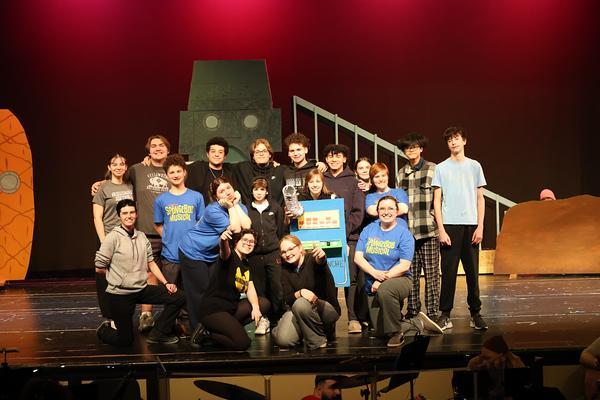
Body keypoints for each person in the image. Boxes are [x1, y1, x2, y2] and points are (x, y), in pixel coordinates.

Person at [92, 135, 172, 332]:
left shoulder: (173, 168)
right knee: (132, 275)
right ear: (148, 151)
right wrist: (100, 183)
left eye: (161, 145)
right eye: (153, 146)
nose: (157, 148)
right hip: (137, 233)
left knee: (172, 274)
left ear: (168, 150)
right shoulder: (138, 169)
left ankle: (172, 318)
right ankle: (131, 316)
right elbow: (114, 182)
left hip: (170, 232)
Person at [95, 199, 185, 346]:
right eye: (125, 213)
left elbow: (151, 263)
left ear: (136, 214)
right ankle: (103, 330)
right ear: (119, 216)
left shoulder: (142, 237)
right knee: (125, 341)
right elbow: (99, 267)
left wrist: (166, 283)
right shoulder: (112, 238)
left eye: (132, 212)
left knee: (179, 296)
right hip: (120, 294)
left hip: (141, 289)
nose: (129, 216)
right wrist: (118, 280)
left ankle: (159, 333)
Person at [178, 177, 251, 335]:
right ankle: (197, 331)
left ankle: (213, 327)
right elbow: (236, 229)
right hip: (193, 250)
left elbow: (246, 226)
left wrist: (235, 205)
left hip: (213, 253)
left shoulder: (239, 206)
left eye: (228, 188)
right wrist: (231, 206)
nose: (227, 192)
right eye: (221, 191)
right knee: (199, 292)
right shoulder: (212, 210)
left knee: (214, 292)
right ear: (216, 197)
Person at [432, 126, 488, 331]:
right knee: (448, 273)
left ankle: (475, 313)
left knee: (473, 273)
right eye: (449, 140)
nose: (453, 142)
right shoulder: (441, 168)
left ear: (464, 141)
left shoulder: (474, 166)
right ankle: (445, 314)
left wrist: (480, 226)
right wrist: (441, 229)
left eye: (456, 138)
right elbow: (437, 201)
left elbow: (480, 198)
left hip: (471, 225)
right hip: (449, 225)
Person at [193, 229, 271, 350]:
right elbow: (224, 251)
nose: (248, 243)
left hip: (231, 308)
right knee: (243, 343)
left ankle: (230, 329)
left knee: (264, 304)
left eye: (252, 242)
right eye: (245, 240)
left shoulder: (246, 264)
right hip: (214, 310)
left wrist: (255, 308)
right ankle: (207, 334)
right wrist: (223, 240)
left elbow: (250, 288)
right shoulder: (230, 256)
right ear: (236, 242)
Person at [354, 196, 415, 347]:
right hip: (373, 281)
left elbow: (404, 266)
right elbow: (358, 257)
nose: (386, 212)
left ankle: (396, 333)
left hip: (400, 279)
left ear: (397, 211)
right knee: (380, 331)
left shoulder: (404, 234)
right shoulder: (369, 230)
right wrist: (375, 274)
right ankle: (415, 324)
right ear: (377, 211)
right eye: (382, 208)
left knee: (386, 290)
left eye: (390, 208)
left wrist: (381, 279)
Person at [153, 154, 204, 333]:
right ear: (167, 175)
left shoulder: (196, 197)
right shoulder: (161, 200)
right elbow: (158, 224)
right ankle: (170, 326)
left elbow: (201, 222)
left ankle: (190, 326)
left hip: (192, 253)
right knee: (171, 293)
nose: (175, 175)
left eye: (178, 171)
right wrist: (168, 238)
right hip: (171, 254)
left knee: (191, 291)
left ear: (184, 172)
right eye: (171, 172)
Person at [323, 143, 366, 334]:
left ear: (345, 159)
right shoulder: (321, 179)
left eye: (338, 156)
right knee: (328, 279)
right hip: (326, 237)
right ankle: (329, 319)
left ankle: (353, 318)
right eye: (330, 156)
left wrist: (343, 233)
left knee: (351, 278)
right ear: (326, 159)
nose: (334, 159)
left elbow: (358, 212)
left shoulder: (354, 182)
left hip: (350, 237)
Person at [397, 133, 441, 322]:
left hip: (428, 230)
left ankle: (433, 312)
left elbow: (440, 198)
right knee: (411, 274)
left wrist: (437, 220)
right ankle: (413, 310)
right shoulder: (401, 173)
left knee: (432, 275)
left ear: (421, 148)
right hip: (408, 233)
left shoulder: (433, 169)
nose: (411, 150)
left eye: (414, 147)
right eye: (407, 148)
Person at [273, 235, 340, 350]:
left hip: (325, 309)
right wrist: (300, 292)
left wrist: (321, 258)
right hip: (300, 311)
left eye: (291, 249)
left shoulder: (312, 259)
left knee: (300, 304)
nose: (287, 254)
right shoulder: (285, 270)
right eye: (283, 252)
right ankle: (298, 329)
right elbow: (287, 298)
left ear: (300, 248)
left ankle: (318, 341)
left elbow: (320, 264)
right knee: (283, 340)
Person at [92, 154, 134, 327]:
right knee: (107, 279)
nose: (118, 167)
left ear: (126, 167)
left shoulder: (130, 185)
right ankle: (110, 316)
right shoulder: (103, 188)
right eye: (114, 164)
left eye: (121, 164)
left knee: (125, 279)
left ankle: (124, 314)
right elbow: (97, 217)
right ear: (109, 167)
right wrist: (103, 241)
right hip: (109, 238)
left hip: (127, 238)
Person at [247, 177, 286, 334]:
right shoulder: (247, 209)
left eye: (262, 189)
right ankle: (263, 320)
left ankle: (279, 318)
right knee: (259, 289)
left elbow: (281, 231)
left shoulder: (275, 208)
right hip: (254, 256)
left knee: (277, 287)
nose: (259, 192)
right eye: (256, 189)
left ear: (267, 191)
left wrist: (279, 249)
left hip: (273, 253)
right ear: (252, 191)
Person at [232, 138, 285, 206]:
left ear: (270, 154)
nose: (261, 154)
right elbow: (224, 167)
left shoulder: (280, 170)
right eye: (257, 152)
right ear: (253, 156)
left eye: (264, 151)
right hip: (250, 211)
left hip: (275, 211)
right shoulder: (243, 168)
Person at [186, 136, 236, 205]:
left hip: (227, 209)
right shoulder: (198, 168)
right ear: (207, 154)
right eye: (213, 151)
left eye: (220, 152)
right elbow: (178, 167)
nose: (216, 154)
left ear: (225, 156)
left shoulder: (230, 171)